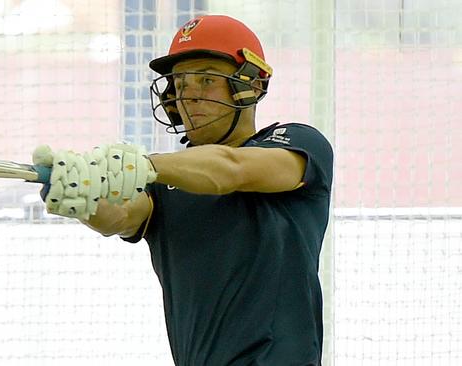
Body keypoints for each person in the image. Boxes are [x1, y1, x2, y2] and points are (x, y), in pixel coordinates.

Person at [32, 14, 333, 366]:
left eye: (206, 80)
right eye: (180, 83)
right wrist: (80, 196)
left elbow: (231, 168)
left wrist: (145, 164)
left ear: (250, 84)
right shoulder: (166, 181)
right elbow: (121, 217)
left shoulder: (298, 143)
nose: (189, 96)